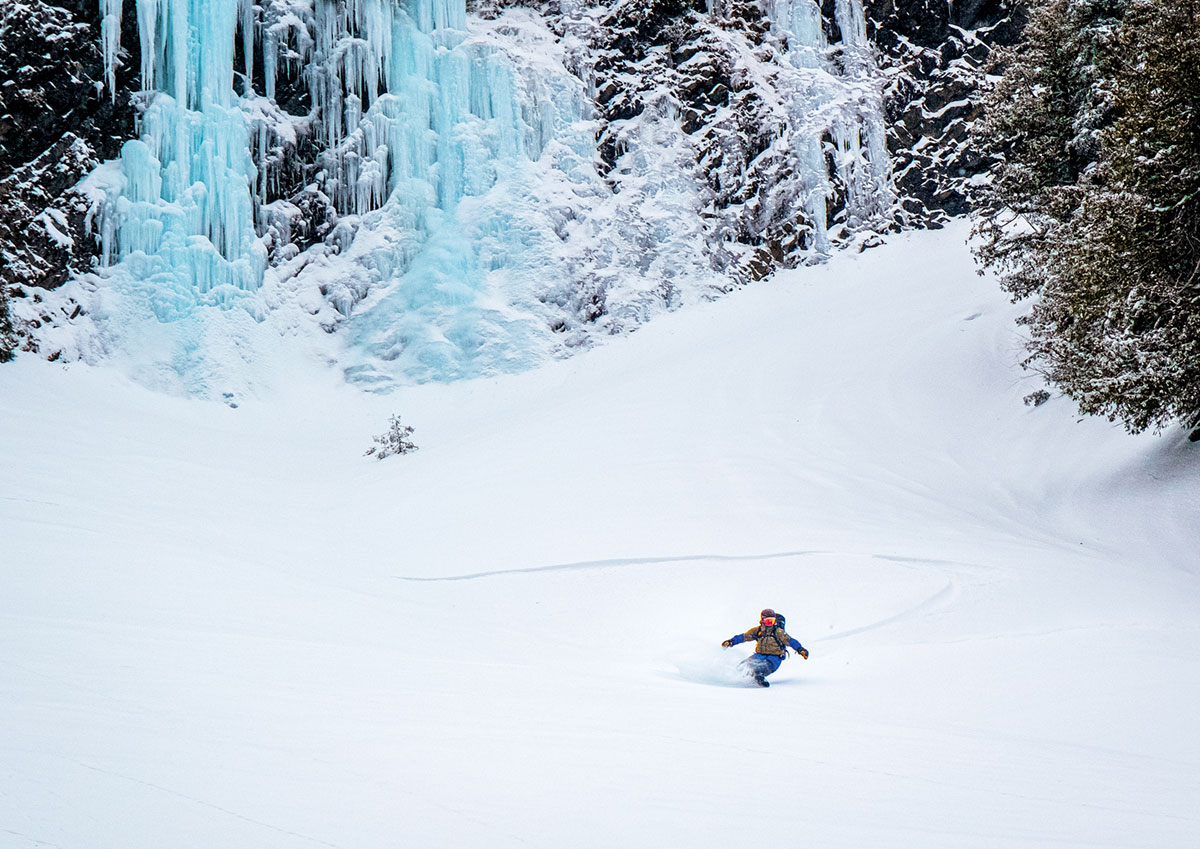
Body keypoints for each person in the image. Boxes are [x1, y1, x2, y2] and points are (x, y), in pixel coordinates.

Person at [721, 608, 808, 687]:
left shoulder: (778, 632)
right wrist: (731, 641)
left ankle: (760, 680)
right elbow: (744, 637)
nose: (770, 624)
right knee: (742, 666)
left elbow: (791, 641)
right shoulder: (758, 631)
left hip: (774, 658)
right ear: (762, 620)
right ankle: (736, 681)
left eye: (772, 621)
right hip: (759, 655)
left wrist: (800, 649)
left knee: (759, 670)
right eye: (768, 621)